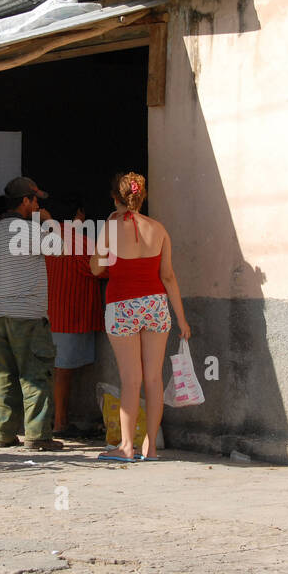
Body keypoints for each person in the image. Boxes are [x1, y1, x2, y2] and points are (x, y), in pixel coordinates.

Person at [90, 171, 189, 461]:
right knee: (154, 379)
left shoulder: (110, 227)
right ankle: (151, 447)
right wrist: (181, 319)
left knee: (131, 379)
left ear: (115, 198)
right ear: (141, 196)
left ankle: (125, 447)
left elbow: (96, 268)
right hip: (157, 305)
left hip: (122, 306)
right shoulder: (159, 229)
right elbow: (168, 276)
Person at [0, 176, 57, 450]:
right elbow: (57, 248)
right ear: (26, 201)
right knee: (35, 374)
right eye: (37, 201)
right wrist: (47, 221)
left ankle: (3, 435)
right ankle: (37, 436)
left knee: (4, 377)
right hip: (29, 315)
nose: (39, 206)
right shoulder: (29, 230)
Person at [44, 195, 103, 438]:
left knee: (53, 371)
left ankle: (52, 421)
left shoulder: (45, 239)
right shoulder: (81, 241)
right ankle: (59, 422)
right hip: (71, 315)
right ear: (79, 214)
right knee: (63, 372)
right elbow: (100, 270)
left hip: (47, 313)